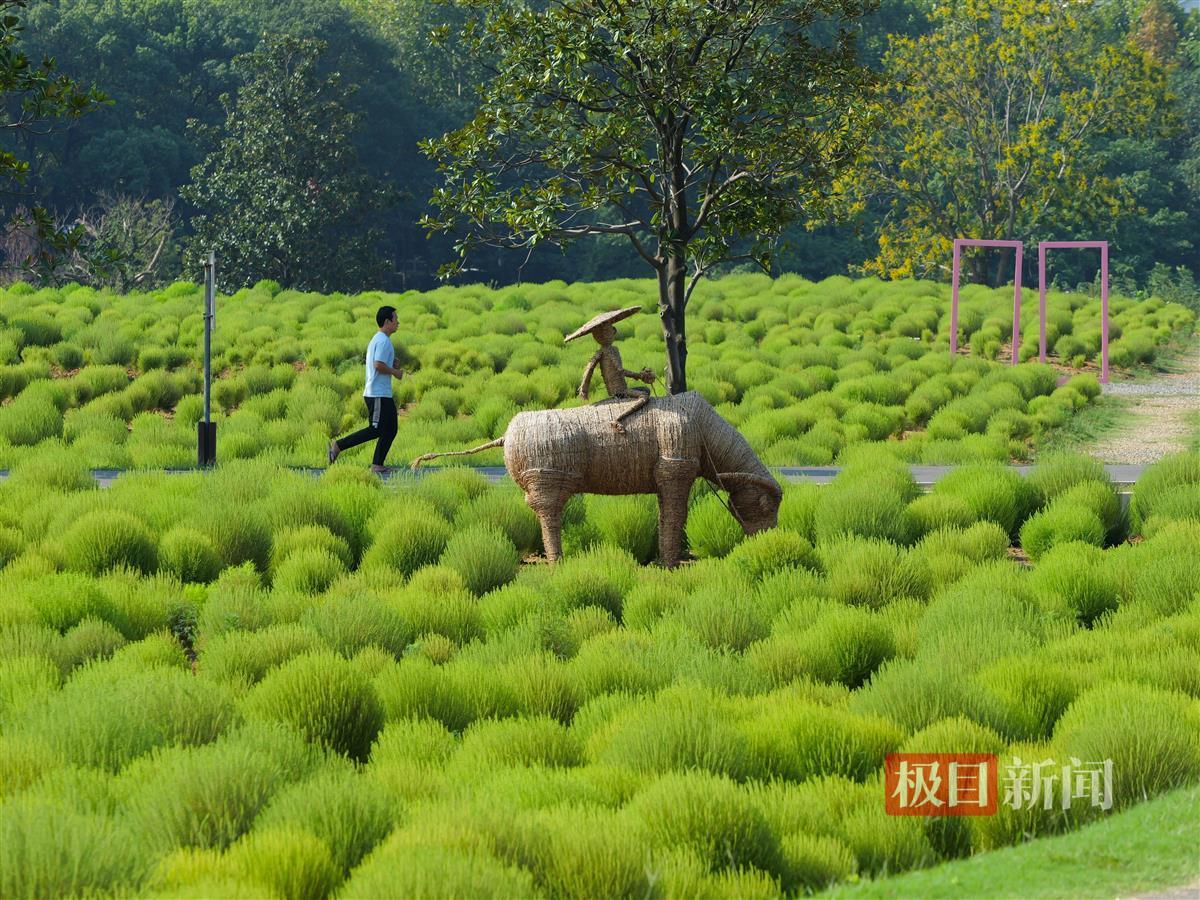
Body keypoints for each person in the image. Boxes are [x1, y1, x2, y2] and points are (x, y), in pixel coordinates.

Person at [328, 306, 404, 473]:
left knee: (390, 429)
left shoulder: (381, 339)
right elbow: (377, 365)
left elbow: (379, 362)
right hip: (377, 394)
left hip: (383, 393)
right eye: (395, 319)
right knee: (375, 429)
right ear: (387, 322)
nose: (398, 322)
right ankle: (338, 445)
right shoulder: (383, 340)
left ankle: (377, 464)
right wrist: (395, 372)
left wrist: (391, 363)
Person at [566, 306, 655, 433]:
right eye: (611, 330)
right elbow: (620, 371)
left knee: (646, 389)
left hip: (615, 390)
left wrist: (584, 389)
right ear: (607, 333)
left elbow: (589, 367)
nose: (614, 331)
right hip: (620, 390)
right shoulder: (611, 351)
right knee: (644, 396)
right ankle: (618, 419)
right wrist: (639, 375)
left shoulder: (602, 352)